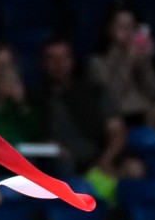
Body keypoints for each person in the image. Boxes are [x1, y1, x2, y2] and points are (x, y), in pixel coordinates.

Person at [89, 8, 155, 131]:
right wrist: (128, 62)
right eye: (122, 27)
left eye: (132, 27)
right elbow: (112, 98)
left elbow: (154, 93)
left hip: (145, 112)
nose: (128, 32)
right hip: (122, 116)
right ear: (109, 29)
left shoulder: (139, 56)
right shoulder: (98, 62)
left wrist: (146, 63)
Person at [35, 36, 126, 175]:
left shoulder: (94, 92)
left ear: (73, 60)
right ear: (43, 63)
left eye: (64, 58)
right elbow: (25, 145)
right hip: (57, 166)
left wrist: (107, 159)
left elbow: (117, 130)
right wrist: (53, 149)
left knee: (133, 168)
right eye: (52, 58)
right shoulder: (33, 98)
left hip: (98, 161)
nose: (59, 64)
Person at [0, 42, 44, 145]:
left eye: (7, 66)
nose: (2, 71)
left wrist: (22, 104)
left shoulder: (19, 102)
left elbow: (35, 136)